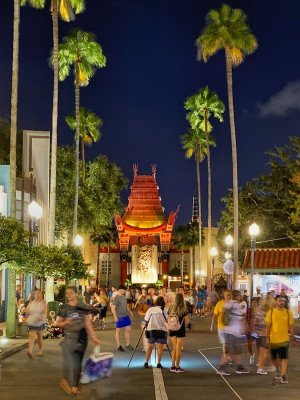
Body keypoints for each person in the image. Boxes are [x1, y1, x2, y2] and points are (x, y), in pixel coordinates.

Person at [55, 286, 100, 395]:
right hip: (69, 338)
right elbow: (57, 323)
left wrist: (94, 338)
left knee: (78, 362)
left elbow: (88, 324)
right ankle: (72, 385)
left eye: (71, 293)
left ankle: (73, 384)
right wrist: (66, 323)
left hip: (82, 338)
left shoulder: (82, 307)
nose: (69, 295)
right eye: (67, 293)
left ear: (76, 294)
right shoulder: (64, 308)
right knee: (72, 362)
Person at [265, 294, 296, 384]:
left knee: (284, 357)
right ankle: (278, 369)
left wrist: (293, 338)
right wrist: (267, 338)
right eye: (280, 301)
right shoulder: (270, 312)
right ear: (276, 302)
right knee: (274, 358)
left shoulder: (287, 313)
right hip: (273, 339)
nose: (282, 302)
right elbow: (268, 326)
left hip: (284, 339)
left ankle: (283, 375)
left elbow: (291, 326)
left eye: (283, 301)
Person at [223, 290, 249, 374]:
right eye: (240, 295)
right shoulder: (238, 305)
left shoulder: (227, 303)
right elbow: (242, 317)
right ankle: (222, 368)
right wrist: (245, 328)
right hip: (235, 331)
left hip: (227, 330)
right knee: (234, 350)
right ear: (237, 296)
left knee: (234, 351)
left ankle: (239, 367)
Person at [211, 289, 232, 375]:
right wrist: (212, 324)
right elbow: (215, 315)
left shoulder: (233, 304)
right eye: (227, 295)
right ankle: (223, 365)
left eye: (230, 295)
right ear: (224, 296)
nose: (229, 296)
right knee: (225, 345)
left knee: (227, 345)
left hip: (230, 328)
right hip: (222, 327)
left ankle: (226, 359)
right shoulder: (220, 303)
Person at [144, 296, 169, 368]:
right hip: (162, 330)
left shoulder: (150, 309)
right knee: (160, 347)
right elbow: (167, 320)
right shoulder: (165, 310)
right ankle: (158, 363)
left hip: (151, 330)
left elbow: (146, 319)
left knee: (150, 347)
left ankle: (146, 362)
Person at [168, 293, 189, 373]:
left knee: (174, 348)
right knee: (178, 348)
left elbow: (168, 316)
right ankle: (177, 367)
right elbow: (187, 320)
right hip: (180, 329)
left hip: (172, 328)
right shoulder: (183, 309)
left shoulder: (171, 307)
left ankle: (172, 366)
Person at [111, 284, 134, 351]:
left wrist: (130, 311)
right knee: (118, 331)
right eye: (124, 290)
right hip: (119, 317)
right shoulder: (117, 297)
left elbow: (126, 305)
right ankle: (118, 346)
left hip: (125, 316)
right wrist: (115, 317)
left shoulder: (123, 297)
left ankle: (127, 345)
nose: (125, 291)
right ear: (120, 289)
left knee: (128, 330)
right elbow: (113, 308)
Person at [26, 289, 46, 358]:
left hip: (40, 323)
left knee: (39, 337)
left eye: (38, 293)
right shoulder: (32, 302)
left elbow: (45, 312)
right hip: (31, 322)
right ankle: (30, 351)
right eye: (35, 294)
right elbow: (27, 311)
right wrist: (25, 311)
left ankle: (40, 350)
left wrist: (41, 317)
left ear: (41, 294)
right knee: (32, 336)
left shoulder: (43, 303)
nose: (37, 295)